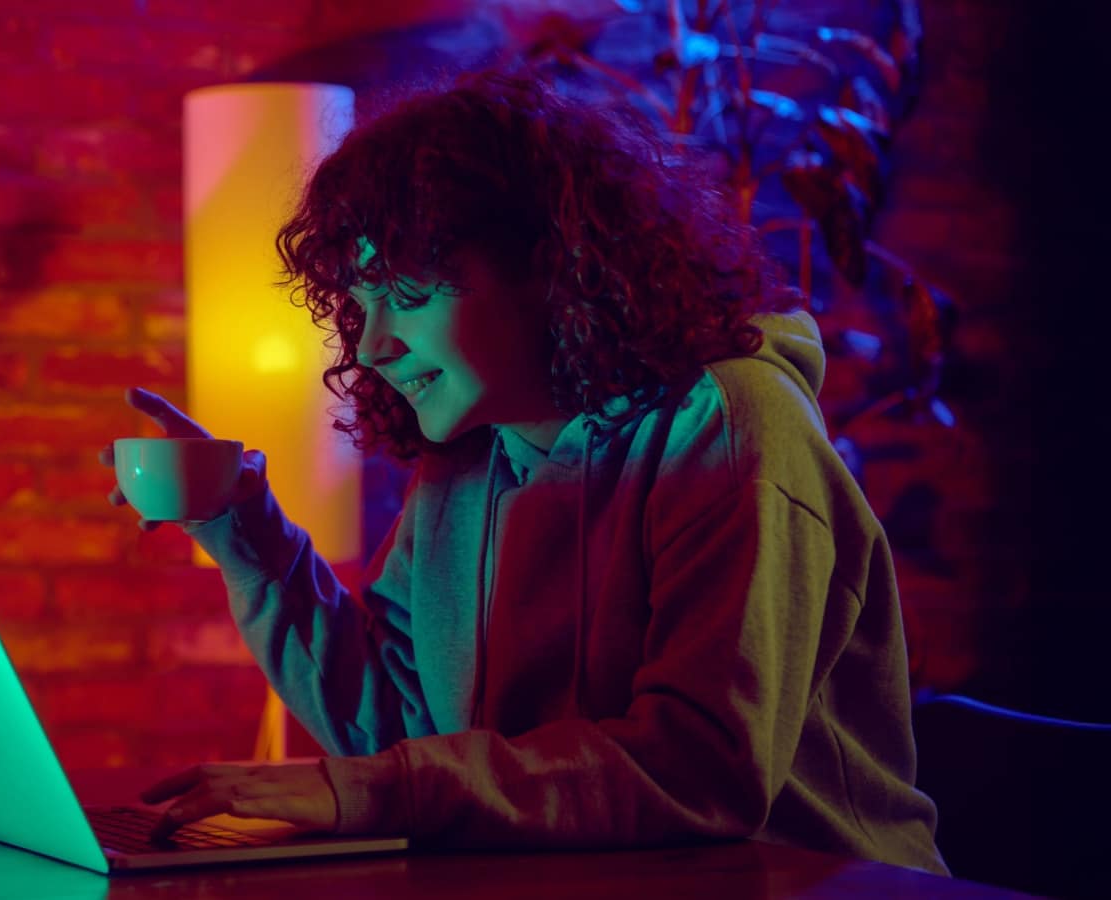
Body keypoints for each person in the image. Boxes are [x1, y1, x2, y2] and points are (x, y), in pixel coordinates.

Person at [99, 69, 947, 874]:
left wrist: (371, 790)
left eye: (408, 292)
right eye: (359, 302)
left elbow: (700, 766)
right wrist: (241, 526)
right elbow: (392, 736)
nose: (371, 345)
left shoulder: (729, 425)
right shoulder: (473, 457)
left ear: (548, 265)